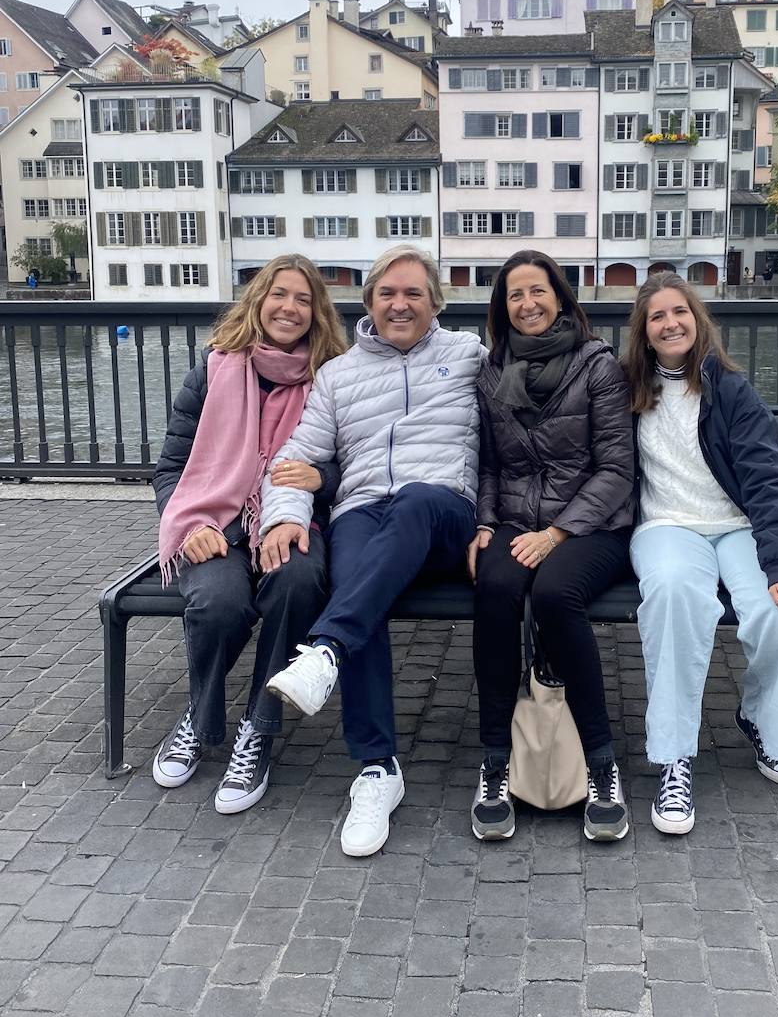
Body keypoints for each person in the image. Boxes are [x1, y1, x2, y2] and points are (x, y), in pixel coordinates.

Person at [259, 246, 485, 857]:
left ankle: (323, 649)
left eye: (413, 293)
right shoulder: (338, 375)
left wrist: (496, 523)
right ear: (369, 304)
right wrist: (283, 519)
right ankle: (377, 770)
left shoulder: (468, 356)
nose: (400, 304)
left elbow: (520, 438)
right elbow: (294, 460)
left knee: (412, 502)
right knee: (354, 574)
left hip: (441, 512)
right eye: (387, 294)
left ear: (435, 301)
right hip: (362, 509)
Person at [623, 271, 778, 836]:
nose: (670, 323)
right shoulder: (627, 387)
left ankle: (759, 717)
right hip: (666, 526)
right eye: (657, 316)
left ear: (697, 319)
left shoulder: (730, 389)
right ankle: (673, 757)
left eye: (679, 312)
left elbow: (765, 477)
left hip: (736, 525)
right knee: (675, 597)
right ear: (644, 330)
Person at [151, 254, 347, 814]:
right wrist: (190, 526)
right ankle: (201, 714)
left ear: (317, 313)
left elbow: (355, 463)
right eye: (279, 294)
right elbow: (171, 467)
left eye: (304, 299)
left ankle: (258, 728)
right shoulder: (214, 369)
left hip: (295, 517)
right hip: (213, 521)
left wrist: (321, 477)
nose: (290, 307)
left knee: (299, 582)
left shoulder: (330, 376)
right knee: (217, 602)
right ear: (259, 301)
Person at [467, 251, 635, 844]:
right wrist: (486, 523)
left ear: (561, 299)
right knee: (493, 589)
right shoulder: (492, 372)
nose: (528, 305)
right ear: (502, 307)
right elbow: (488, 464)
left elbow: (616, 468)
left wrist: (559, 532)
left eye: (538, 292)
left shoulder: (598, 366)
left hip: (594, 525)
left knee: (558, 593)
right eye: (515, 295)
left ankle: (601, 764)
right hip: (515, 521)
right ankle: (495, 759)